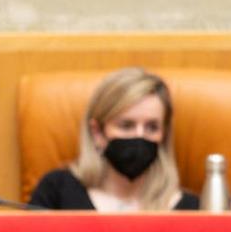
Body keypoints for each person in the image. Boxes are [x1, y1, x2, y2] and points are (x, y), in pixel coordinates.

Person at [29, 67, 200, 212]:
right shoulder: (56, 192)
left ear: (163, 135)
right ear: (97, 133)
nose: (139, 136)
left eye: (152, 127)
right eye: (126, 126)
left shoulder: (191, 209)